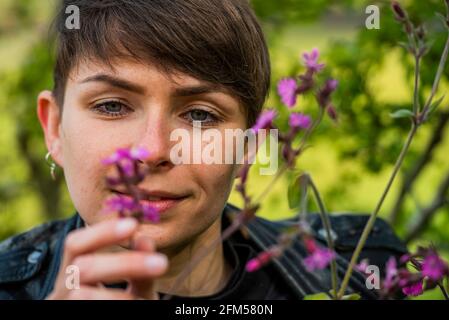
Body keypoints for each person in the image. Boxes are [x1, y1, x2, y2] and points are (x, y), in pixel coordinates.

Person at [0, 0, 407, 300]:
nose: (153, 149)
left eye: (200, 115)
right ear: (53, 126)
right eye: (111, 106)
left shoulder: (363, 273)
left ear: (249, 145)